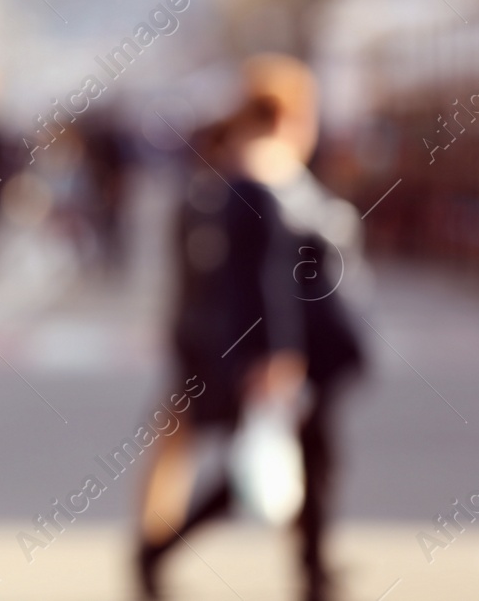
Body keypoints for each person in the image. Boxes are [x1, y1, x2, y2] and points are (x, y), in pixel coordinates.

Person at [134, 55, 365, 601]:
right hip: (281, 352)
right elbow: (265, 280)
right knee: (258, 466)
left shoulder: (250, 179)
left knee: (307, 459)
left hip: (293, 350)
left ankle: (312, 569)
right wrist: (277, 353)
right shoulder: (259, 182)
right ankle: (160, 552)